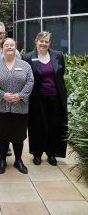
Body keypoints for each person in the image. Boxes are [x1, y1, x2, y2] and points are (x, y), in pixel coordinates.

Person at [0, 38, 34, 175]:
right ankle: (2, 160)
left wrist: (20, 95)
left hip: (20, 106)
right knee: (2, 135)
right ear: (2, 48)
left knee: (18, 135)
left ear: (15, 48)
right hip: (2, 106)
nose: (9, 47)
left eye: (12, 45)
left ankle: (18, 160)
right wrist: (2, 95)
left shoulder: (25, 65)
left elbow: (30, 82)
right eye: (6, 45)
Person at [23, 31, 68, 166]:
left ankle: (51, 153)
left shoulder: (58, 56)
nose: (43, 44)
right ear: (36, 41)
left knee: (54, 126)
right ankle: (37, 153)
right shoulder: (28, 57)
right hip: (37, 98)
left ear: (49, 43)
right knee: (37, 126)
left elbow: (61, 73)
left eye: (46, 41)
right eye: (41, 41)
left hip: (56, 97)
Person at [0, 22, 20, 156]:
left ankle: (7, 144)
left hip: (11, 90)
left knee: (10, 117)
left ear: (5, 33)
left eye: (1, 33)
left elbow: (20, 69)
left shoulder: (15, 51)